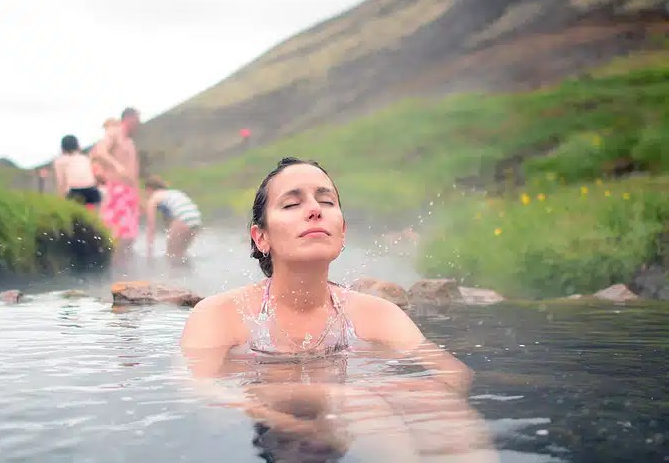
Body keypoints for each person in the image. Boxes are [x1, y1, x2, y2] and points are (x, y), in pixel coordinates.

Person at [180, 157, 491, 460]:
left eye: (326, 202)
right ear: (261, 237)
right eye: (291, 204)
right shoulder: (222, 314)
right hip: (255, 433)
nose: (315, 210)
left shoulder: (375, 314)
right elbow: (201, 391)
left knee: (430, 400)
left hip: (354, 428)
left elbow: (453, 374)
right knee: (363, 402)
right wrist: (312, 409)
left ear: (342, 231)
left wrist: (393, 391)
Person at [90, 107, 141, 274]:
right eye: (137, 119)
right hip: (117, 190)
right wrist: (116, 165)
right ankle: (113, 270)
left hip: (130, 191)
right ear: (129, 118)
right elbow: (100, 151)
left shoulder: (130, 141)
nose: (139, 124)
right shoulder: (115, 132)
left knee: (130, 236)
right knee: (118, 233)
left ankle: (123, 270)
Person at [143, 175, 202, 263]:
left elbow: (151, 227)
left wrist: (149, 254)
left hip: (183, 218)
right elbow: (170, 224)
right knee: (180, 253)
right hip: (196, 219)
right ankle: (186, 274)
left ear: (149, 189)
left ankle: (174, 276)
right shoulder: (171, 193)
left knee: (170, 256)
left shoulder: (153, 198)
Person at [52, 135, 101, 210]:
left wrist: (60, 200)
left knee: (75, 218)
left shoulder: (60, 161)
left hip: (76, 192)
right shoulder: (84, 158)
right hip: (92, 191)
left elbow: (61, 182)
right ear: (77, 145)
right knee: (91, 217)